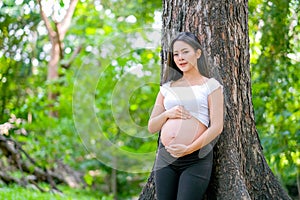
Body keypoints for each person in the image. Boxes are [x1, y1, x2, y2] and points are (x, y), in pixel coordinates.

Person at [148, 32, 224, 200]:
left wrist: (188, 149)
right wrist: (168, 114)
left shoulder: (211, 85)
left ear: (198, 53)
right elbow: (152, 127)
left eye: (185, 52)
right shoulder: (167, 87)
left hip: (196, 158)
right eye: (176, 54)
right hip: (166, 158)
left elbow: (217, 126)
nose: (180, 57)